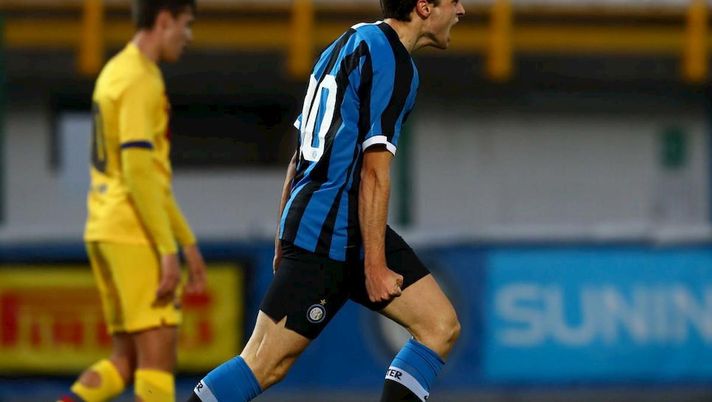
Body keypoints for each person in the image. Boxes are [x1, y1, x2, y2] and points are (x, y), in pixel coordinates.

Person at [188, 0, 463, 401]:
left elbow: (298, 155)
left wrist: (283, 235)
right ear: (424, 6)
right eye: (454, 1)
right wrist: (375, 267)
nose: (461, 10)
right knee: (263, 363)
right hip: (330, 230)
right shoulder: (394, 63)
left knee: (439, 325)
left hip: (337, 224)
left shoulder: (346, 44)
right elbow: (374, 171)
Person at [58, 1, 207, 401]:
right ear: (164, 20)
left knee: (123, 362)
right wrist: (167, 250)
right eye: (186, 25)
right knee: (157, 366)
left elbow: (149, 178)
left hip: (105, 227)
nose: (188, 36)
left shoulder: (115, 71)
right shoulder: (142, 79)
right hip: (134, 232)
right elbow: (139, 173)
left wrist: (187, 241)